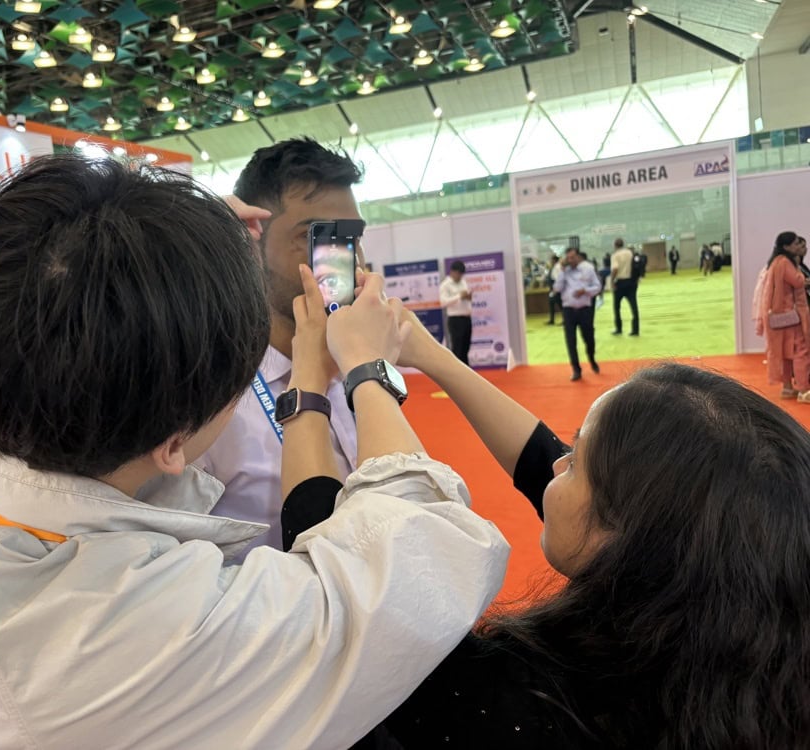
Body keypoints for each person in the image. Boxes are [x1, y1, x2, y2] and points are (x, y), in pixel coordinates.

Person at [0, 155, 510, 749]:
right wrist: (368, 366)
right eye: (310, 235)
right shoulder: (138, 632)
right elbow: (426, 554)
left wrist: (166, 249)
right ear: (176, 444)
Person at [283, 310, 810, 747]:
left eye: (576, 461)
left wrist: (325, 373)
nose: (558, 463)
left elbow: (352, 578)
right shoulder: (747, 646)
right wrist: (429, 354)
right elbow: (547, 465)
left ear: (629, 542)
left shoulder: (521, 703)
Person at [197, 138, 365, 555]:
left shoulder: (359, 366)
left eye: (350, 238)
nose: (345, 261)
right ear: (252, 241)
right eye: (316, 236)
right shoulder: (211, 398)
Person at [757, 231, 810, 402]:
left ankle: (788, 388)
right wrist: (799, 270)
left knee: (785, 353)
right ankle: (804, 390)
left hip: (780, 318)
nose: (799, 246)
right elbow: (797, 281)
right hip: (791, 317)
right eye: (796, 243)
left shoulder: (775, 262)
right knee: (801, 351)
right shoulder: (785, 262)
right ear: (786, 246)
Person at [553, 247, 601, 381]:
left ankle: (592, 359)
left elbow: (597, 287)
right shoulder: (562, 271)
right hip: (568, 310)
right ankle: (576, 369)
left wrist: (585, 290)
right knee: (570, 341)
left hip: (584, 309)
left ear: (578, 257)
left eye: (572, 257)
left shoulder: (588, 268)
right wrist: (562, 271)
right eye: (568, 258)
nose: (570, 260)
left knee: (589, 338)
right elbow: (557, 288)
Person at [440, 260, 472, 363]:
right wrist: (459, 296)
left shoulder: (463, 282)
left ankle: (466, 369)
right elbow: (443, 302)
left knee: (466, 347)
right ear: (452, 272)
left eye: (462, 274)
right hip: (455, 319)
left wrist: (468, 297)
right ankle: (457, 370)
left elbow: (465, 296)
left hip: (467, 318)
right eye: (458, 274)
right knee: (457, 348)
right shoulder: (445, 285)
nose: (460, 277)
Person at [609, 238, 639, 336]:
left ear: (615, 245)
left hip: (620, 283)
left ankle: (619, 328)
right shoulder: (630, 253)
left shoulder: (615, 255)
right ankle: (635, 329)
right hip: (631, 282)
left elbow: (615, 269)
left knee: (617, 307)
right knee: (634, 306)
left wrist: (612, 281)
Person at [543, 255, 561, 325]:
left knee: (560, 304)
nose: (550, 261)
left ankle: (565, 320)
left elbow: (557, 279)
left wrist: (555, 289)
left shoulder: (557, 267)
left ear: (554, 260)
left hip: (555, 289)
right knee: (551, 303)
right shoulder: (553, 267)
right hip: (552, 289)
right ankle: (552, 320)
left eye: (551, 260)